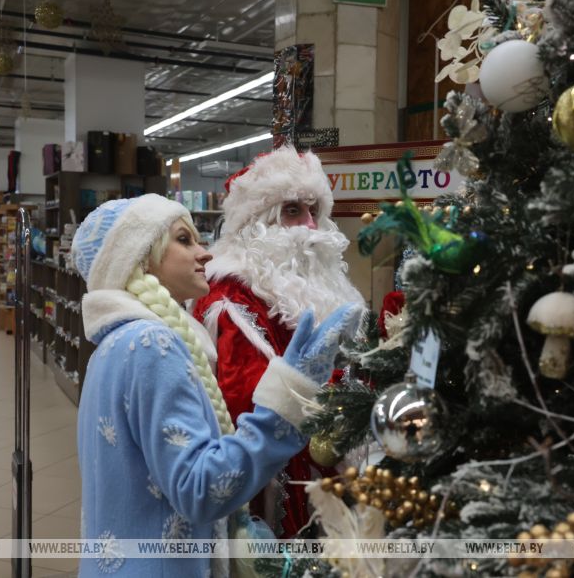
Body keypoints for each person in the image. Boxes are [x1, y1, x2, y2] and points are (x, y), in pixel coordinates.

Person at [70, 194, 360, 577]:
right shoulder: (152, 344)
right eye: (184, 240)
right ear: (139, 258)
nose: (204, 253)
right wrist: (289, 404)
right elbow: (201, 490)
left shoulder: (113, 344)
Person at [193, 145, 366, 538]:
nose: (310, 225)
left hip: (324, 470)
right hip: (269, 481)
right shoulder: (230, 299)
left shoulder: (313, 286)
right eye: (292, 211)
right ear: (256, 224)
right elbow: (245, 400)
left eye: (314, 211)